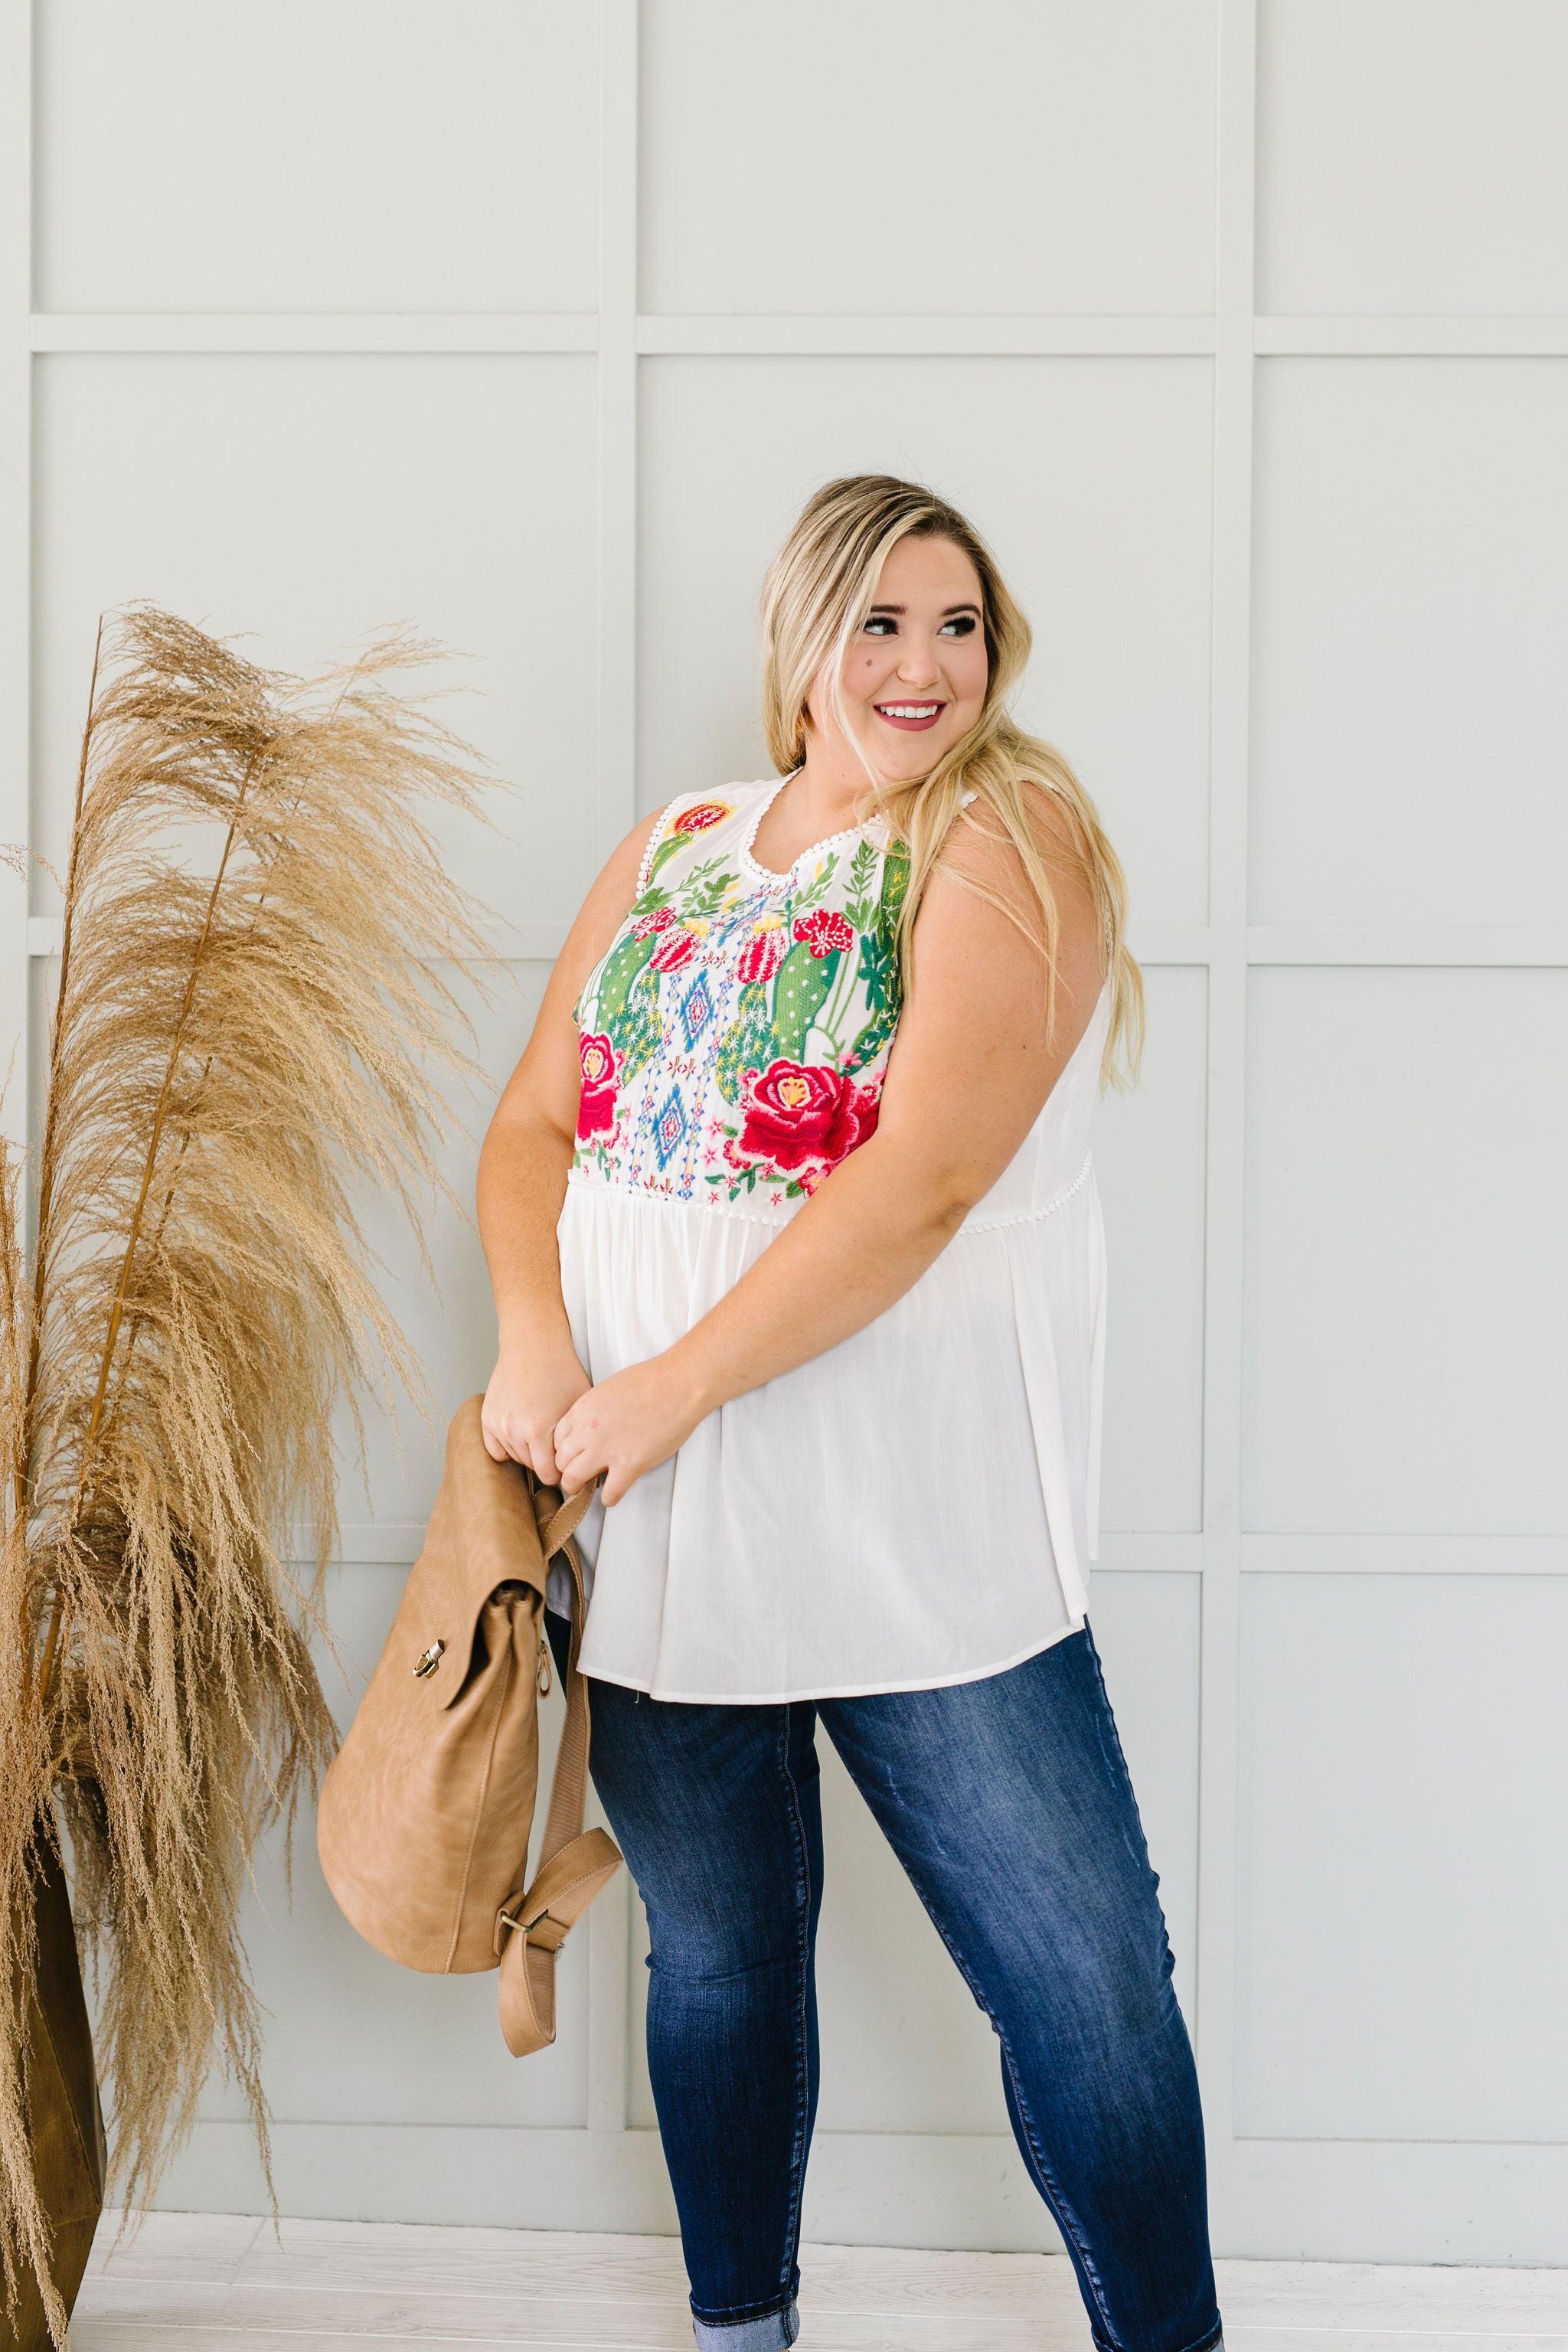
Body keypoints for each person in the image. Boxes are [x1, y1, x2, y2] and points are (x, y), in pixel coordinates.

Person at [475, 474, 1223, 2352]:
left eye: (957, 624)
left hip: (923, 1536)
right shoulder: (680, 841)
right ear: (799, 641)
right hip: (661, 1533)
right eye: (879, 623)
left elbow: (916, 1191)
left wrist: (658, 1388)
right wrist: (532, 1346)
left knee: (1085, 1986)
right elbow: (530, 1129)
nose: (922, 666)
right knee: (720, 1969)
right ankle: (745, 2332)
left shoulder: (1007, 831)